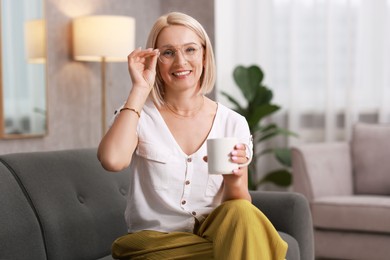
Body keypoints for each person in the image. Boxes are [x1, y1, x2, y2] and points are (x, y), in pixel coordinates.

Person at [97, 11, 288, 260]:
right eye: (168, 52)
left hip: (215, 232)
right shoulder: (139, 115)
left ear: (205, 55)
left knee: (243, 214)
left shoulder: (233, 122)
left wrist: (235, 179)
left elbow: (239, 207)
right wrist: (140, 89)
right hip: (156, 242)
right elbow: (112, 160)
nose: (180, 62)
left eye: (190, 50)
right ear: (154, 59)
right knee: (249, 246)